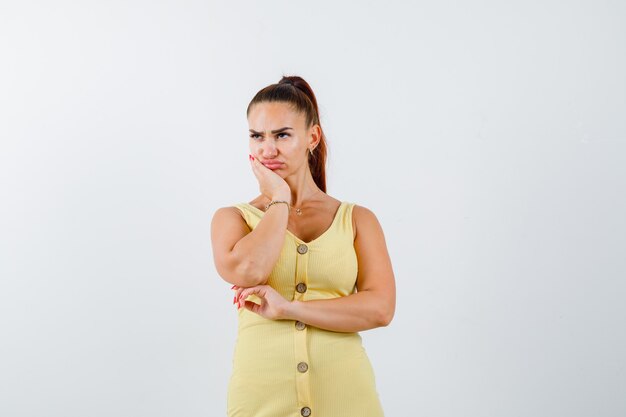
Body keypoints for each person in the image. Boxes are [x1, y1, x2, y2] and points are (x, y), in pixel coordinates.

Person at [210, 75, 396, 417]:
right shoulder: (233, 218)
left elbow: (380, 309)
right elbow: (249, 269)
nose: (267, 150)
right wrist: (279, 198)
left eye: (282, 135)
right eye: (257, 136)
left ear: (312, 137)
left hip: (347, 397)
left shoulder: (357, 220)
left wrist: (290, 309)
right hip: (261, 400)